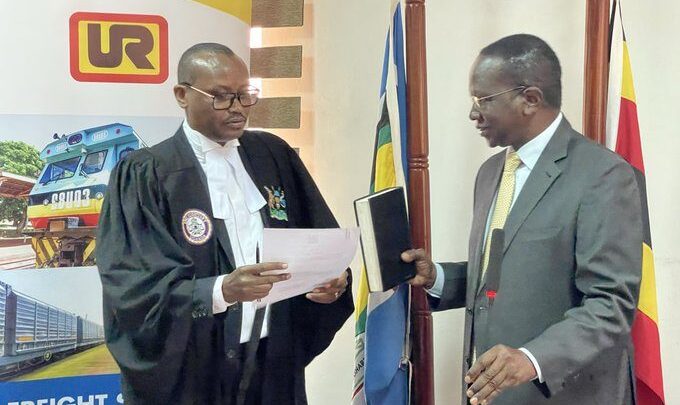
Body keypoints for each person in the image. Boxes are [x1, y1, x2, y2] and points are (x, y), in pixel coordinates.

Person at [97, 43, 353, 404]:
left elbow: (319, 240)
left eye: (245, 95)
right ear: (182, 95)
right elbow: (133, 286)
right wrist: (221, 290)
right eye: (220, 97)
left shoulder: (273, 155)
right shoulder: (145, 174)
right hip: (193, 371)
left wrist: (331, 281)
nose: (237, 108)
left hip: (273, 363)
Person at [402, 34, 642, 405]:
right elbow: (506, 275)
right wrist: (439, 278)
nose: (473, 114)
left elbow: (611, 304)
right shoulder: (490, 173)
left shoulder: (603, 175)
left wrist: (531, 359)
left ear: (530, 99)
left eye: (484, 100)